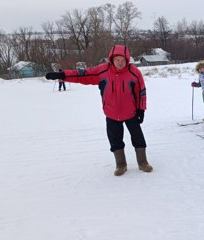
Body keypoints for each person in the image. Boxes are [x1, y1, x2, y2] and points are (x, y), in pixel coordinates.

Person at [45, 44, 153, 176]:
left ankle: (143, 163)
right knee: (115, 140)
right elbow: (83, 75)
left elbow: (141, 92)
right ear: (112, 59)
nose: (120, 63)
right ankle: (121, 165)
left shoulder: (134, 72)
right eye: (117, 60)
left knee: (138, 138)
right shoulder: (102, 71)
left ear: (127, 59)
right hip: (112, 114)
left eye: (123, 60)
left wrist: (141, 109)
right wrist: (62, 75)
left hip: (131, 113)